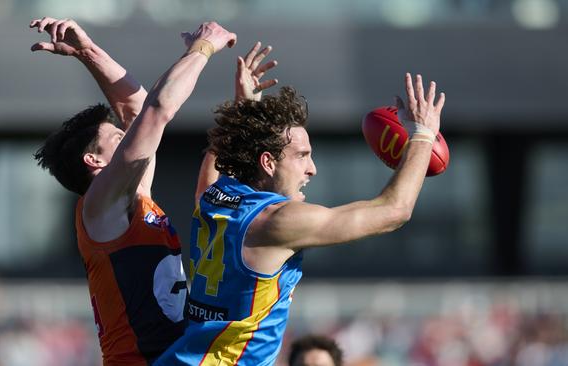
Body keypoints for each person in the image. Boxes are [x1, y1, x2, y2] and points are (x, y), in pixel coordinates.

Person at [155, 73, 446, 365]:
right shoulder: (276, 222)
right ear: (268, 162)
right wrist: (423, 134)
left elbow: (207, 182)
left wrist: (244, 111)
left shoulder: (215, 197)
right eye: (302, 156)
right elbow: (393, 211)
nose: (312, 169)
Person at [30, 17, 237, 365]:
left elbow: (140, 108)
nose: (129, 136)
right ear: (94, 160)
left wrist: (88, 53)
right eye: (118, 136)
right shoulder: (99, 204)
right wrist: (203, 48)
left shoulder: (133, 193)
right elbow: (156, 111)